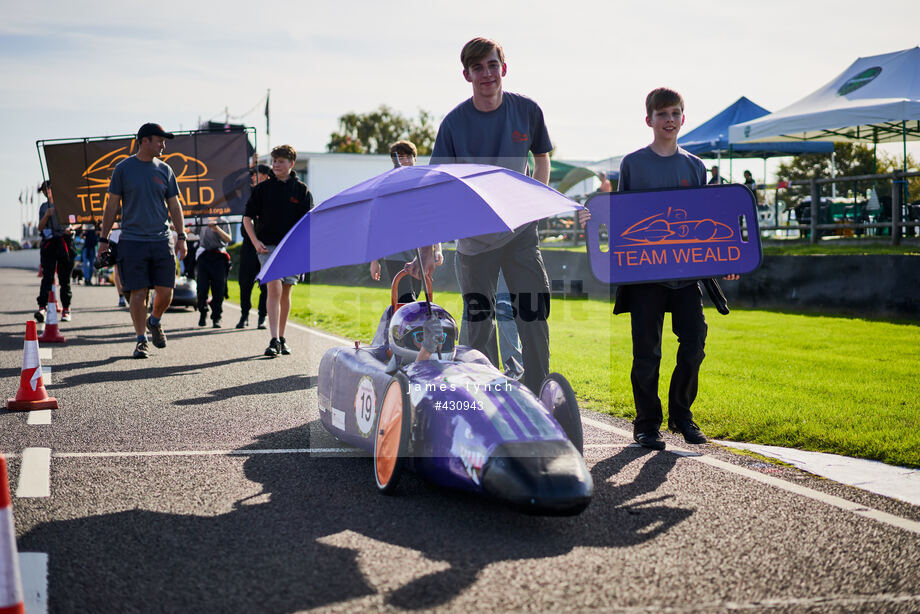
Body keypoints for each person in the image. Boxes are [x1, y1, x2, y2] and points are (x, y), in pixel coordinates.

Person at [582, 87, 724, 451]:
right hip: (646, 274)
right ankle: (646, 424)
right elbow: (624, 216)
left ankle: (681, 414)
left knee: (694, 342)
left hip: (686, 275)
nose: (670, 120)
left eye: (675, 113)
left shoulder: (695, 166)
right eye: (662, 114)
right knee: (648, 351)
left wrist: (724, 260)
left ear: (683, 117)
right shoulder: (633, 163)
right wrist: (594, 214)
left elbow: (702, 220)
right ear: (649, 120)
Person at [429, 36, 553, 395]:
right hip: (474, 238)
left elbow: (542, 156)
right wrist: (432, 241)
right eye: (478, 68)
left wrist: (537, 200)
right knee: (480, 319)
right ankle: (484, 392)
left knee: (532, 312)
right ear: (466, 75)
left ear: (504, 68)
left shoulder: (527, 111)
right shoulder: (453, 124)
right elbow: (439, 184)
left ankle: (537, 389)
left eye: (492, 65)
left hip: (520, 231)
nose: (487, 73)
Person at [98, 123, 188, 359]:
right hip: (132, 241)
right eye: (160, 140)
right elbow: (111, 206)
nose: (163, 145)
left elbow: (175, 206)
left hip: (161, 240)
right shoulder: (123, 169)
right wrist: (103, 239)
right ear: (145, 140)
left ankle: (155, 321)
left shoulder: (165, 170)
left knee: (166, 293)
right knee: (138, 294)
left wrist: (182, 236)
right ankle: (141, 340)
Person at [243, 145, 313, 357]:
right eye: (274, 161)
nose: (275, 165)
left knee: (285, 291)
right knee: (274, 289)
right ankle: (273, 340)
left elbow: (308, 223)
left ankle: (282, 337)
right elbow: (247, 218)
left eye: (280, 161)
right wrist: (255, 242)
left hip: (291, 249)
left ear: (291, 164)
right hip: (267, 246)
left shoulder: (301, 190)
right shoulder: (262, 189)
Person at [370, 141, 443, 302]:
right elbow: (378, 224)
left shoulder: (424, 184)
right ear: (394, 161)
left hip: (418, 252)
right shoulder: (386, 186)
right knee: (405, 298)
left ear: (415, 159)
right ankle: (405, 326)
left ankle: (398, 326)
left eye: (410, 157)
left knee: (414, 298)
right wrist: (374, 260)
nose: (406, 161)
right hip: (394, 251)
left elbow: (431, 219)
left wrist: (437, 249)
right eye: (401, 157)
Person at [35, 180, 76, 322]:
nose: (47, 192)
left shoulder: (65, 202)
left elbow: (77, 221)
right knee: (47, 276)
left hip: (65, 243)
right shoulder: (43, 207)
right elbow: (39, 228)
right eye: (44, 190)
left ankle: (66, 308)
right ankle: (42, 306)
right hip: (50, 244)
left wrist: (71, 228)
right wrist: (47, 215)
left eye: (49, 189)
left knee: (65, 279)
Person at [236, 165, 271, 329]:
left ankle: (262, 316)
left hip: (265, 245)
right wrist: (251, 163)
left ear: (265, 176)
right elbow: (237, 180)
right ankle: (244, 315)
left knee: (266, 284)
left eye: (256, 174)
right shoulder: (248, 194)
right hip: (249, 246)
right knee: (245, 283)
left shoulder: (272, 194)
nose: (252, 178)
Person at [193, 216, 232, 327]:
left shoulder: (223, 221)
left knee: (219, 289)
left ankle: (216, 317)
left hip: (219, 257)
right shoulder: (202, 219)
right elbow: (193, 230)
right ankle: (203, 312)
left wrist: (217, 229)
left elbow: (228, 239)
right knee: (202, 288)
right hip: (204, 256)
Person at [82, 221, 99, 285]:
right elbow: (82, 235)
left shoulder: (96, 226)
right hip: (87, 248)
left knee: (91, 265)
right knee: (86, 264)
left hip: (93, 248)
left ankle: (89, 279)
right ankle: (86, 279)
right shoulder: (86, 226)